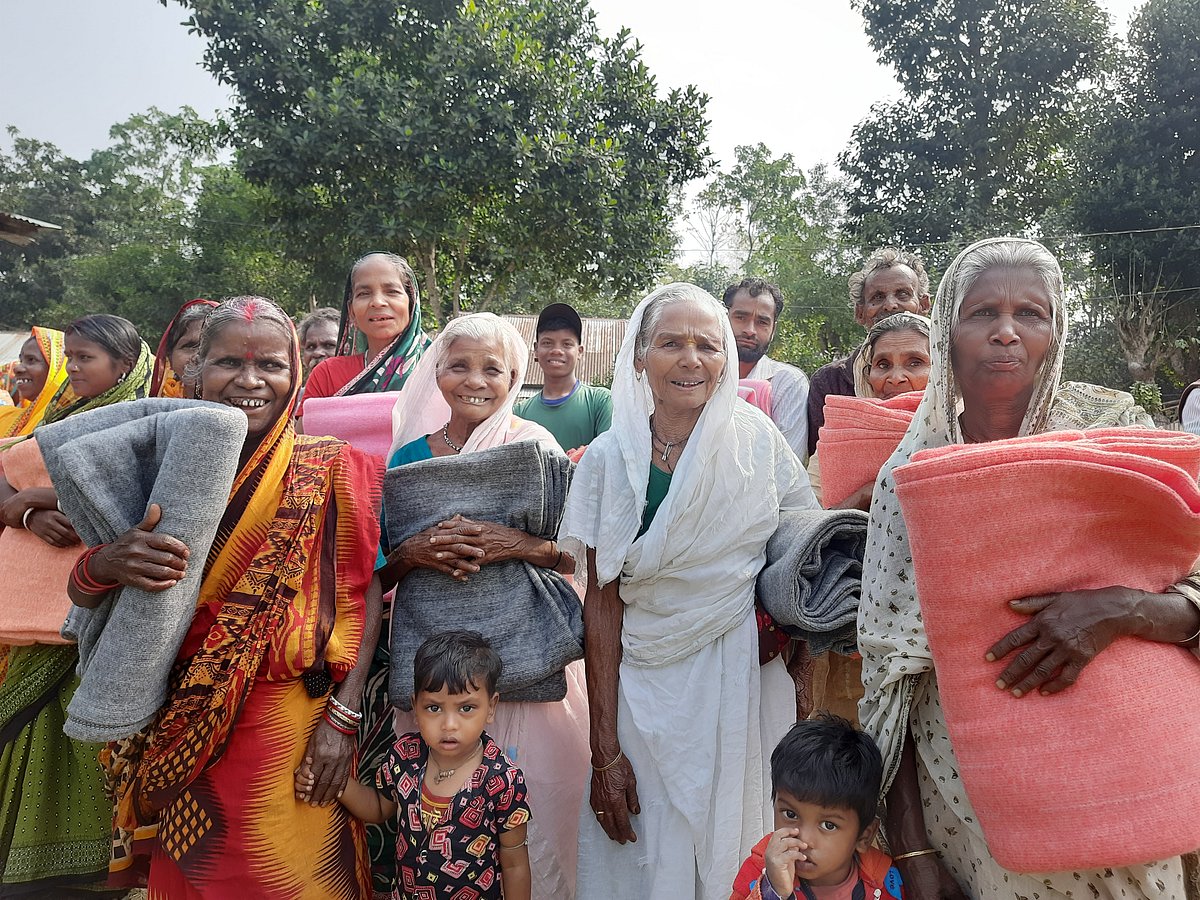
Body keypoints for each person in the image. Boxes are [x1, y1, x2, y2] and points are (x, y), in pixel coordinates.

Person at [859, 237, 1200, 899]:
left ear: (1058, 330)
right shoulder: (909, 479)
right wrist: (916, 851)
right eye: (983, 312)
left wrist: (1121, 609)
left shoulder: (1114, 437)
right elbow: (887, 676)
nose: (1006, 332)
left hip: (1123, 776)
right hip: (965, 791)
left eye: (1031, 314)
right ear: (949, 331)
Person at [88, 296, 381, 898]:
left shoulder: (327, 468)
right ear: (194, 371)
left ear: (295, 374)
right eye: (227, 362)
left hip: (295, 731)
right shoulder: (153, 468)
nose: (250, 381)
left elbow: (365, 591)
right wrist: (105, 562)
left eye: (271, 365)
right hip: (181, 732)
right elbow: (82, 597)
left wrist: (343, 719)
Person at [559, 283, 818, 900]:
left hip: (742, 680)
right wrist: (603, 751)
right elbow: (601, 602)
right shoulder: (607, 458)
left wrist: (806, 671)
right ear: (640, 357)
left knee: (742, 839)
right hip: (636, 690)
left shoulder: (757, 444)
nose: (691, 359)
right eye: (670, 343)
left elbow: (804, 553)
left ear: (727, 357)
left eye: (708, 344)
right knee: (644, 854)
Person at [373, 312, 589, 900]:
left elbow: (575, 555)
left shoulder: (535, 446)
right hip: (438, 674)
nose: (476, 379)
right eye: (459, 365)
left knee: (547, 797)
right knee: (440, 816)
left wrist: (514, 544)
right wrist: (414, 552)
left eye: (492, 368)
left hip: (527, 663)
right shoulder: (408, 457)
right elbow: (380, 569)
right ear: (435, 372)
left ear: (516, 375)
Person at [0, 314, 151, 895]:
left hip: (90, 623)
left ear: (123, 366)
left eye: (86, 358)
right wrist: (32, 508)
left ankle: (81, 872)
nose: (72, 370)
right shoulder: (56, 420)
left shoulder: (144, 424)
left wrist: (40, 493)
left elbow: (131, 499)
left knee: (77, 743)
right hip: (29, 618)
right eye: (75, 357)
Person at [312, 630, 532, 900]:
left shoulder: (502, 780)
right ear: (415, 708)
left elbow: (515, 863)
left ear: (491, 707)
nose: (449, 724)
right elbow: (380, 808)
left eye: (466, 708)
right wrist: (337, 783)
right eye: (434, 708)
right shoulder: (405, 756)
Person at [730, 715, 905, 900]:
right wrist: (772, 891)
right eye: (790, 814)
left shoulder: (886, 881)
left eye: (828, 825)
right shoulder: (760, 867)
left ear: (864, 836)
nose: (804, 840)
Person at [806, 249, 931, 457]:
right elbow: (824, 462)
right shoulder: (831, 383)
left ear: (924, 304)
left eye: (902, 294)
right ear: (860, 312)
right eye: (877, 297)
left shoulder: (950, 374)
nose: (890, 305)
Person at [296, 251, 430, 426]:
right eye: (364, 294)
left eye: (392, 291)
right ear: (351, 311)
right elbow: (303, 441)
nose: (378, 302)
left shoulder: (439, 367)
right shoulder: (328, 374)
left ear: (412, 302)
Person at [723, 278, 811, 461]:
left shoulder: (787, 383)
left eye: (762, 322)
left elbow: (786, 467)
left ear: (773, 329)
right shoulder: (699, 376)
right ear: (724, 318)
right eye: (741, 317)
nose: (750, 330)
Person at [514, 302, 612, 453]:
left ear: (579, 352)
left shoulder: (600, 402)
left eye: (567, 344)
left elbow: (608, 459)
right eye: (547, 343)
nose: (557, 351)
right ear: (536, 349)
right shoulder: (519, 414)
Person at [0, 326, 68, 439]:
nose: (17, 368)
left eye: (31, 360)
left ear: (56, 370)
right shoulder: (14, 418)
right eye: (21, 360)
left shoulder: (61, 423)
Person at [150, 298, 218, 398]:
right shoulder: (158, 409)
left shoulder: (245, 409)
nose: (198, 356)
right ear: (170, 357)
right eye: (190, 346)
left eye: (213, 346)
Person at [299, 306, 341, 381]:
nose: (317, 353)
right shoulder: (298, 393)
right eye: (311, 347)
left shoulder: (363, 391)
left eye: (328, 345)